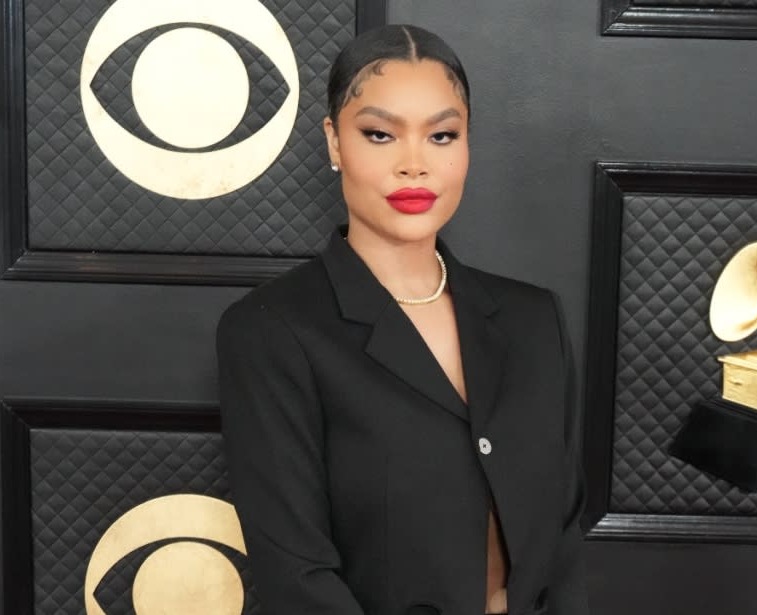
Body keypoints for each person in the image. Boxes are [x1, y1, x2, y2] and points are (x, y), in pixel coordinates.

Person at [217, 24, 589, 615]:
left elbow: (564, 541)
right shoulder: (271, 331)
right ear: (335, 142)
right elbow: (297, 575)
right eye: (380, 135)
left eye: (442, 135)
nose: (414, 165)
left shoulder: (534, 319)